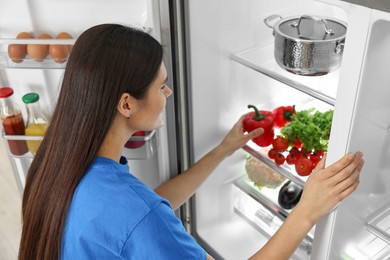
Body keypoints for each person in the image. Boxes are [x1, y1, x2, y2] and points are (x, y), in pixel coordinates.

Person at [18, 24, 364, 260]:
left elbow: (143, 213)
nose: (168, 92)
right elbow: (143, 217)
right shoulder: (137, 212)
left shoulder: (56, 164)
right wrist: (306, 212)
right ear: (126, 104)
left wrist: (222, 151)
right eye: (161, 85)